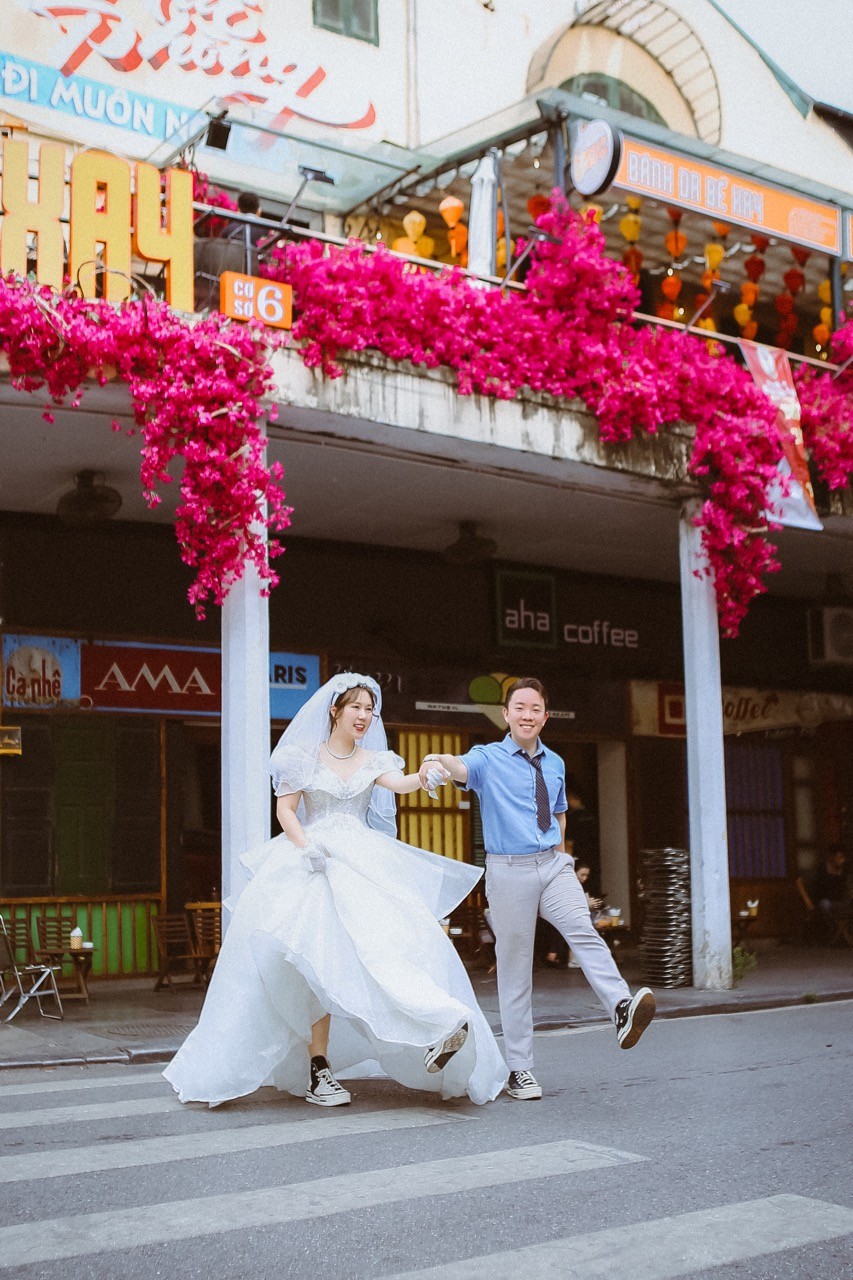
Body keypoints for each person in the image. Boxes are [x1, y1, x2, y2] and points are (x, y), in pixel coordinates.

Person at [164, 674, 507, 1109]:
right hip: (312, 866)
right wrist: (306, 847)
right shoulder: (300, 757)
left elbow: (399, 785)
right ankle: (318, 1069)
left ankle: (436, 1027)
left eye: (370, 710)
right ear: (335, 710)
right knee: (314, 966)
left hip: (362, 864)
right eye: (357, 707)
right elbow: (286, 810)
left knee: (388, 949)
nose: (364, 716)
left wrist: (425, 776)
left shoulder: (374, 759)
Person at [419, 677, 655, 1101]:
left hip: (552, 864)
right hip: (509, 872)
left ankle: (620, 1006)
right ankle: (520, 1070)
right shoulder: (488, 758)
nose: (527, 715)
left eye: (535, 709)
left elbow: (559, 815)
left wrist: (563, 859)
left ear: (545, 717)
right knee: (515, 971)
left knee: (583, 929)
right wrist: (436, 761)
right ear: (506, 715)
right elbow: (458, 767)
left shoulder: (556, 763)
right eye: (519, 708)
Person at [811, 847, 852, 945]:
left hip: (840, 901)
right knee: (826, 905)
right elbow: (818, 888)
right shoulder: (823, 869)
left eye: (842, 857)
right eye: (838, 857)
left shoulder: (844, 870)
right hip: (825, 900)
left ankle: (843, 935)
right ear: (832, 857)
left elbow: (845, 887)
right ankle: (833, 935)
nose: (841, 860)